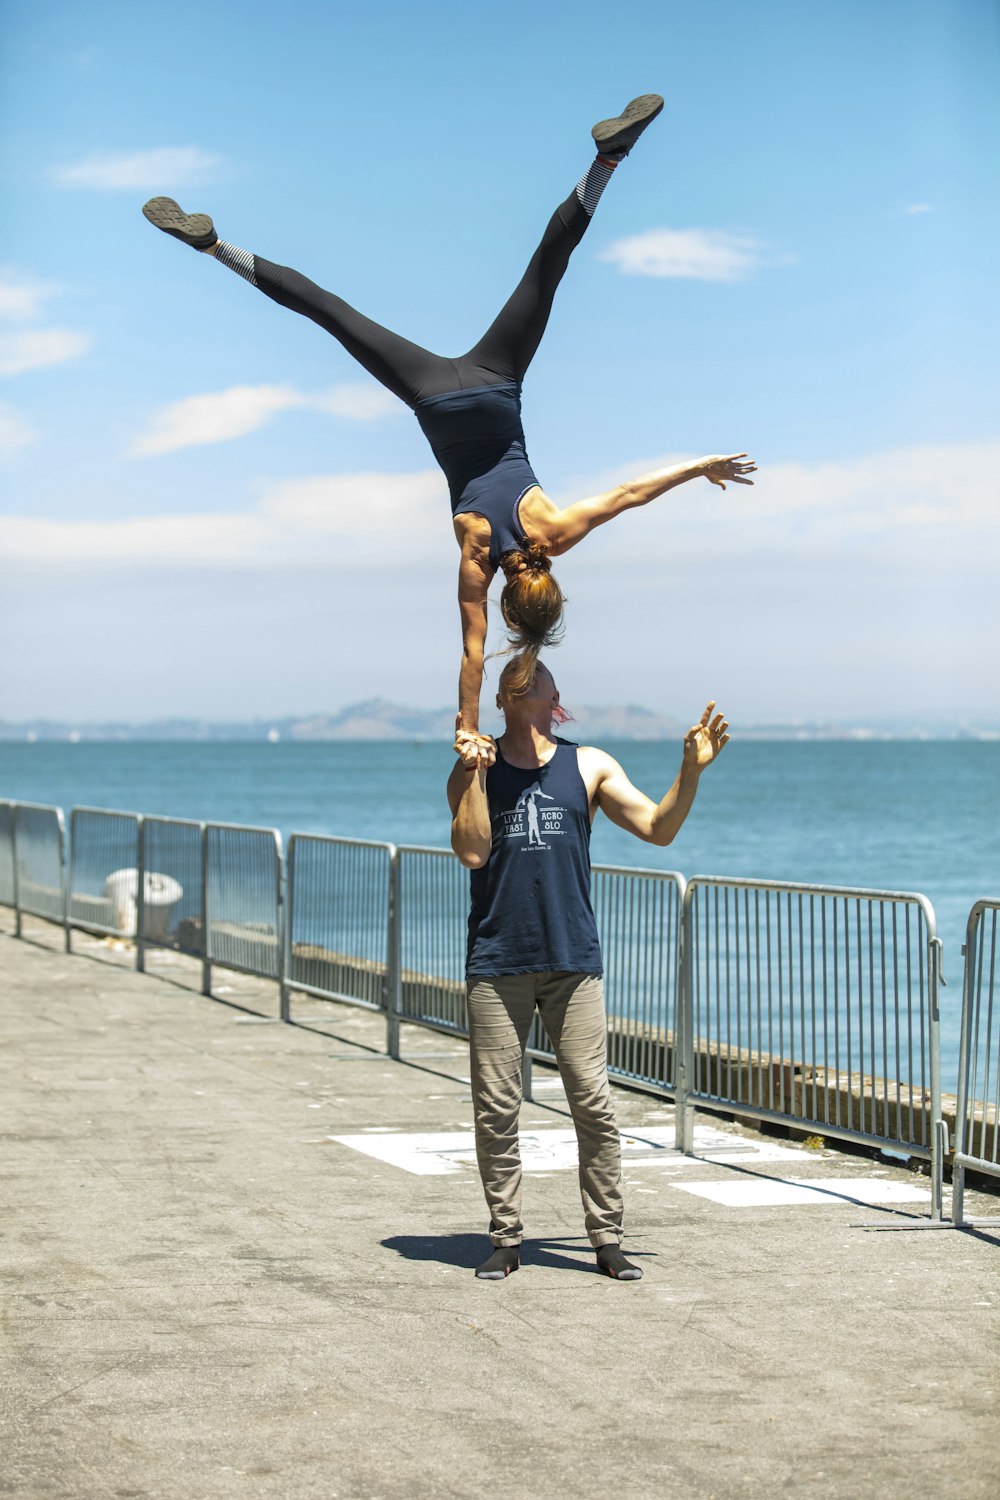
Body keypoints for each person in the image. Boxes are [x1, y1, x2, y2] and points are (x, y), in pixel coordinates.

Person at [142, 97, 756, 747]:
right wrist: (470, 731)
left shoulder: (557, 533)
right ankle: (213, 247)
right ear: (506, 604)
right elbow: (471, 657)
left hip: (497, 383)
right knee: (330, 312)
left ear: (554, 586)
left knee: (548, 265)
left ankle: (607, 158)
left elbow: (633, 493)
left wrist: (699, 466)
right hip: (432, 399)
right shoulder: (476, 559)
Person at [446, 654, 729, 1280]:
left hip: (573, 959)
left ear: (554, 696)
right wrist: (471, 774)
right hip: (498, 960)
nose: (526, 673)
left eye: (537, 672)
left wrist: (690, 770)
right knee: (497, 1108)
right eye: (512, 675)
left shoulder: (589, 764)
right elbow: (470, 851)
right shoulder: (473, 769)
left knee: (593, 1105)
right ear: (499, 700)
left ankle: (606, 1238)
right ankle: (506, 1239)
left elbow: (658, 828)